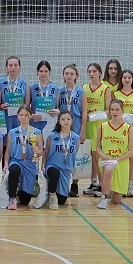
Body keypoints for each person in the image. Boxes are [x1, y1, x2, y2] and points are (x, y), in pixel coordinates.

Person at [96, 99, 133, 209]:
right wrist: (102, 154)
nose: (114, 112)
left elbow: (131, 152)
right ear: (109, 111)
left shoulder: (129, 128)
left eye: (117, 109)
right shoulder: (102, 126)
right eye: (112, 109)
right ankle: (104, 197)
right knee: (108, 169)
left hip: (121, 161)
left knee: (116, 201)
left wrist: (117, 159)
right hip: (106, 159)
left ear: (122, 110)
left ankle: (110, 190)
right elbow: (97, 148)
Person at [3, 106, 43, 210]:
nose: (23, 117)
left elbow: (41, 152)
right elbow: (7, 151)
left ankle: (19, 188)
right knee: (14, 170)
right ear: (17, 116)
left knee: (25, 201)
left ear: (30, 116)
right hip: (16, 161)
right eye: (21, 115)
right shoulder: (12, 132)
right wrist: (6, 164)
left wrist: (37, 151)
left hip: (30, 163)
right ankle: (12, 198)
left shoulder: (37, 132)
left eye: (26, 115)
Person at [82, 63, 112, 196]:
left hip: (99, 125)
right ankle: (94, 183)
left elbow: (109, 110)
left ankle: (102, 184)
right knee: (90, 155)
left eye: (94, 71)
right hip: (87, 125)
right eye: (89, 71)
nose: (91, 74)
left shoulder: (105, 89)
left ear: (100, 73)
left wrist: (94, 116)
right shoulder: (84, 88)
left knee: (97, 155)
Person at [42, 110, 80, 210]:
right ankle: (52, 197)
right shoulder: (52, 136)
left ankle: (52, 192)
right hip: (52, 166)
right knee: (54, 172)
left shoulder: (76, 138)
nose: (66, 121)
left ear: (72, 121)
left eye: (68, 119)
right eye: (63, 119)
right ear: (59, 121)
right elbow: (46, 152)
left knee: (62, 201)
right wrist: (43, 165)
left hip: (66, 169)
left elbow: (75, 153)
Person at [114, 70, 133, 197]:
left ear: (132, 79)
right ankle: (118, 186)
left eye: (129, 77)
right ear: (121, 79)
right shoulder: (116, 94)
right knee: (119, 157)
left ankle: (130, 186)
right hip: (119, 130)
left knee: (132, 158)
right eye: (124, 77)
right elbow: (112, 111)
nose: (126, 80)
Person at [58, 64, 85, 197]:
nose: (69, 76)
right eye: (66, 73)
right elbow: (56, 108)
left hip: (76, 125)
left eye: (71, 74)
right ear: (63, 75)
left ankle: (75, 184)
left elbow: (84, 113)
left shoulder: (81, 92)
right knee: (63, 153)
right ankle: (61, 183)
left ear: (76, 76)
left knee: (75, 155)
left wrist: (83, 131)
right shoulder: (60, 91)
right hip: (63, 126)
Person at [0, 56, 29, 135]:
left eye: (15, 65)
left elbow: (27, 104)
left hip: (19, 117)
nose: (13, 68)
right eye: (10, 65)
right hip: (5, 116)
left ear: (19, 67)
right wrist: (1, 106)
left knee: (18, 138)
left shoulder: (25, 83)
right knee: (5, 139)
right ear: (6, 67)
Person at [30, 61, 60, 134]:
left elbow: (58, 107)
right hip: (35, 123)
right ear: (37, 72)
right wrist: (31, 115)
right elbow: (26, 107)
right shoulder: (31, 88)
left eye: (46, 71)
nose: (43, 73)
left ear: (49, 72)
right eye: (41, 71)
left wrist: (58, 112)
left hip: (50, 124)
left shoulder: (56, 89)